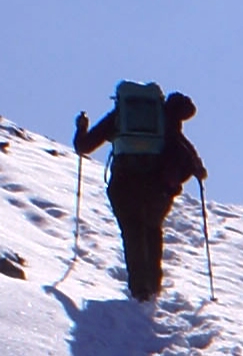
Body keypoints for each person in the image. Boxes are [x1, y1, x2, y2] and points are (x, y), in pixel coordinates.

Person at [75, 86, 205, 302]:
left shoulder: (120, 117)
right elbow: (184, 149)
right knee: (152, 230)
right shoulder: (163, 119)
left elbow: (84, 146)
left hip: (124, 183)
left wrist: (81, 128)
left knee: (132, 232)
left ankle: (140, 290)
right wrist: (197, 169)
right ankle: (153, 286)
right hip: (157, 188)